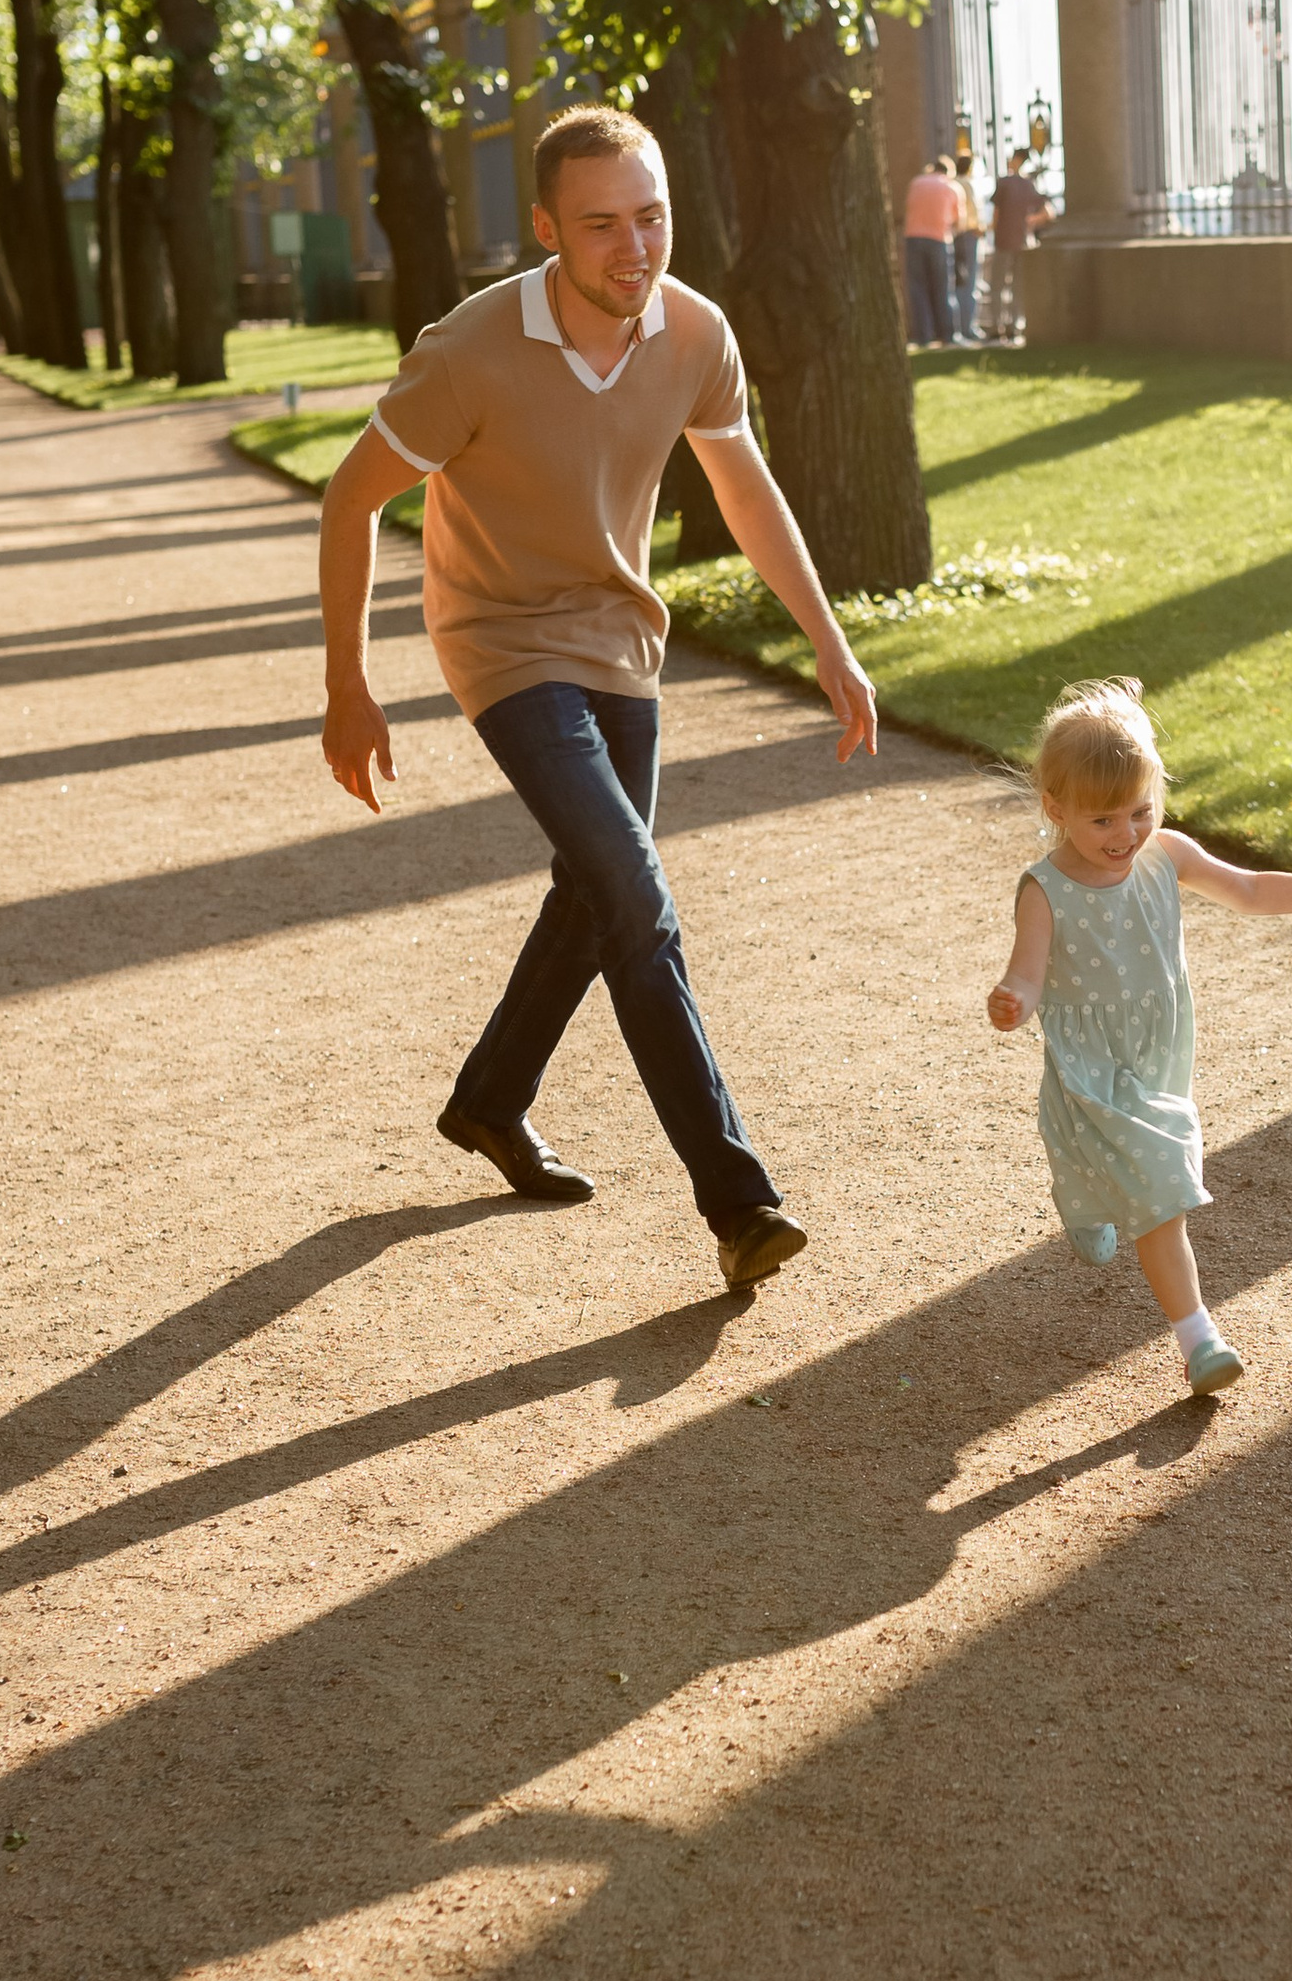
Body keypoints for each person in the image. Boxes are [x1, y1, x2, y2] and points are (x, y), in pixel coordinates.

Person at [315, 102, 877, 1294]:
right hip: (503, 642)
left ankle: (490, 1101)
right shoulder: (469, 350)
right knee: (633, 887)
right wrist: (349, 684)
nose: (636, 247)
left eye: (653, 215)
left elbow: (746, 488)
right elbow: (350, 499)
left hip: (623, 643)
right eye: (603, 224)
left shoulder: (694, 332)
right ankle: (737, 1199)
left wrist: (827, 639)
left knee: (594, 891)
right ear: (545, 229)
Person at [985, 678, 1292, 1397]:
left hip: (1158, 1052)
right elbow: (1026, 972)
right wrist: (1014, 1001)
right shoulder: (1045, 888)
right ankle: (1198, 1338)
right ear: (1055, 809)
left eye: (1140, 811)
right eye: (1103, 821)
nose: (1125, 834)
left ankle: (1088, 1202)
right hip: (1093, 1066)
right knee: (1162, 1189)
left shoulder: (1167, 855)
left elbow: (1247, 889)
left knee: (1146, 1171)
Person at [986, 148, 1053, 344]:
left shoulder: (1004, 183)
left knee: (997, 285)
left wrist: (993, 229)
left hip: (1004, 240)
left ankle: (997, 328)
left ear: (1016, 160)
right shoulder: (1029, 185)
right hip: (1023, 241)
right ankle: (1016, 327)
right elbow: (1048, 212)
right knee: (1018, 287)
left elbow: (996, 215)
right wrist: (1029, 221)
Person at [901, 151, 963, 346]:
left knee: (917, 288)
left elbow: (908, 208)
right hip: (939, 239)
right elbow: (958, 220)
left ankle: (923, 335)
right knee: (943, 287)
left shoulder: (916, 183)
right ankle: (947, 334)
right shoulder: (951, 187)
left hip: (913, 238)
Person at [948, 137, 986, 343]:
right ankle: (967, 326)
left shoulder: (952, 184)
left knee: (958, 280)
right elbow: (972, 213)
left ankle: (960, 326)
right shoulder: (967, 186)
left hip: (956, 235)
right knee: (968, 281)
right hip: (969, 234)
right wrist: (979, 229)